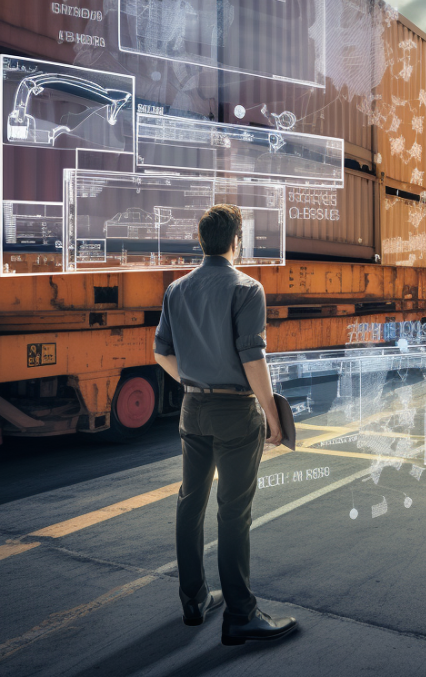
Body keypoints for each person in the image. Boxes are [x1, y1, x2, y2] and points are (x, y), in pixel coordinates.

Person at [153, 203, 297, 645]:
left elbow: (161, 353)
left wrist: (197, 380)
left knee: (189, 503)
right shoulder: (247, 288)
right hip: (235, 413)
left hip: (191, 409)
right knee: (233, 511)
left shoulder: (176, 290)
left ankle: (194, 599)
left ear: (202, 241)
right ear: (237, 241)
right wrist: (272, 415)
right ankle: (240, 614)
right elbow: (253, 358)